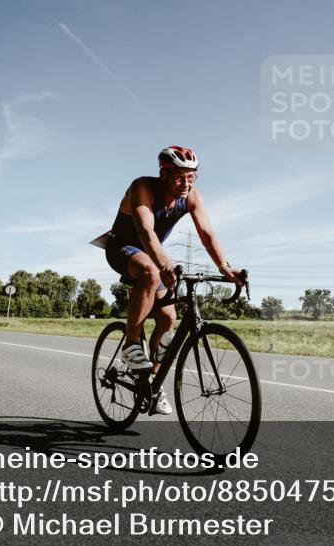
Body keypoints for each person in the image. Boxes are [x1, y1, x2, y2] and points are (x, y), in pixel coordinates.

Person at [103, 146, 243, 415]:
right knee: (150, 271)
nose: (185, 183)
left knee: (168, 318)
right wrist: (164, 263)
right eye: (179, 177)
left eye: (191, 177)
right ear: (163, 174)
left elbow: (207, 233)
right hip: (122, 249)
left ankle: (152, 386)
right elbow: (145, 231)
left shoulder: (192, 196)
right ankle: (132, 344)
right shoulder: (142, 187)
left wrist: (226, 268)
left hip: (151, 255)